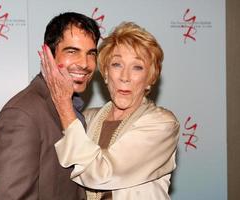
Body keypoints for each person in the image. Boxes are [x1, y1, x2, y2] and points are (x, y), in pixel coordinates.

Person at [41, 22, 180, 199]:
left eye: (137, 67)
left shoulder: (162, 124)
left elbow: (100, 174)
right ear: (105, 72)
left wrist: (64, 105)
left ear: (150, 78)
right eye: (116, 65)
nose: (125, 77)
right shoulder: (87, 118)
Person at [0, 12, 100, 200]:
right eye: (72, 51)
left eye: (91, 53)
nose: (85, 64)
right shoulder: (22, 115)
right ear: (48, 54)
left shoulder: (72, 108)